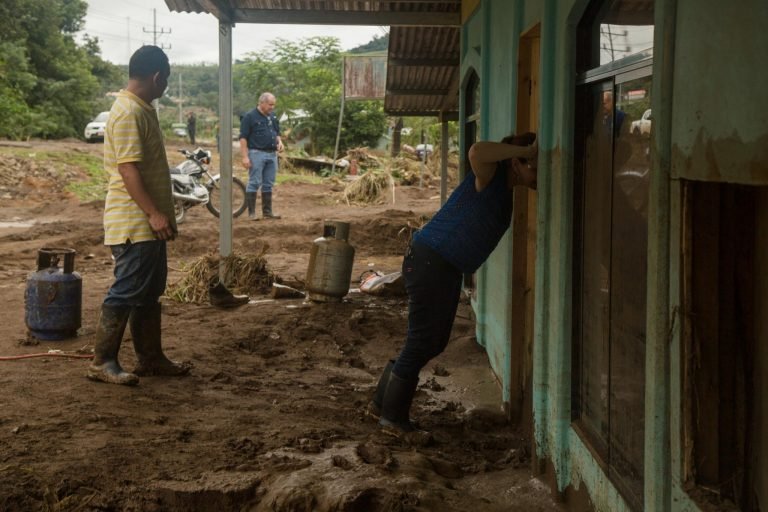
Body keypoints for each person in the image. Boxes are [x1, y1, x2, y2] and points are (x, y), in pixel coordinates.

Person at [369, 132, 538, 435]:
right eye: (533, 165)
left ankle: (382, 404)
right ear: (515, 162)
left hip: (440, 266)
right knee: (424, 341)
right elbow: (477, 150)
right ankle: (392, 418)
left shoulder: (504, 189)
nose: (537, 173)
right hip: (432, 263)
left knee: (428, 341)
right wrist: (527, 148)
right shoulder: (489, 177)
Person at [87, 45, 190, 386]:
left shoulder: (140, 108)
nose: (165, 87)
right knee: (127, 289)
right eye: (166, 81)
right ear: (157, 77)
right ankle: (102, 361)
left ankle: (150, 358)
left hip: (146, 223)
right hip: (135, 221)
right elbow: (128, 169)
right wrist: (154, 213)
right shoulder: (129, 111)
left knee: (148, 290)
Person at [239, 92, 284, 220]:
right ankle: (252, 214)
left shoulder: (272, 116)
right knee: (254, 182)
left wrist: (280, 142)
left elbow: (276, 132)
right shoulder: (249, 117)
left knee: (268, 183)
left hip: (272, 154)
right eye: (270, 104)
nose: (272, 107)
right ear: (262, 103)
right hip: (256, 153)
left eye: (273, 105)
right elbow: (243, 138)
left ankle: (267, 212)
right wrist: (245, 157)